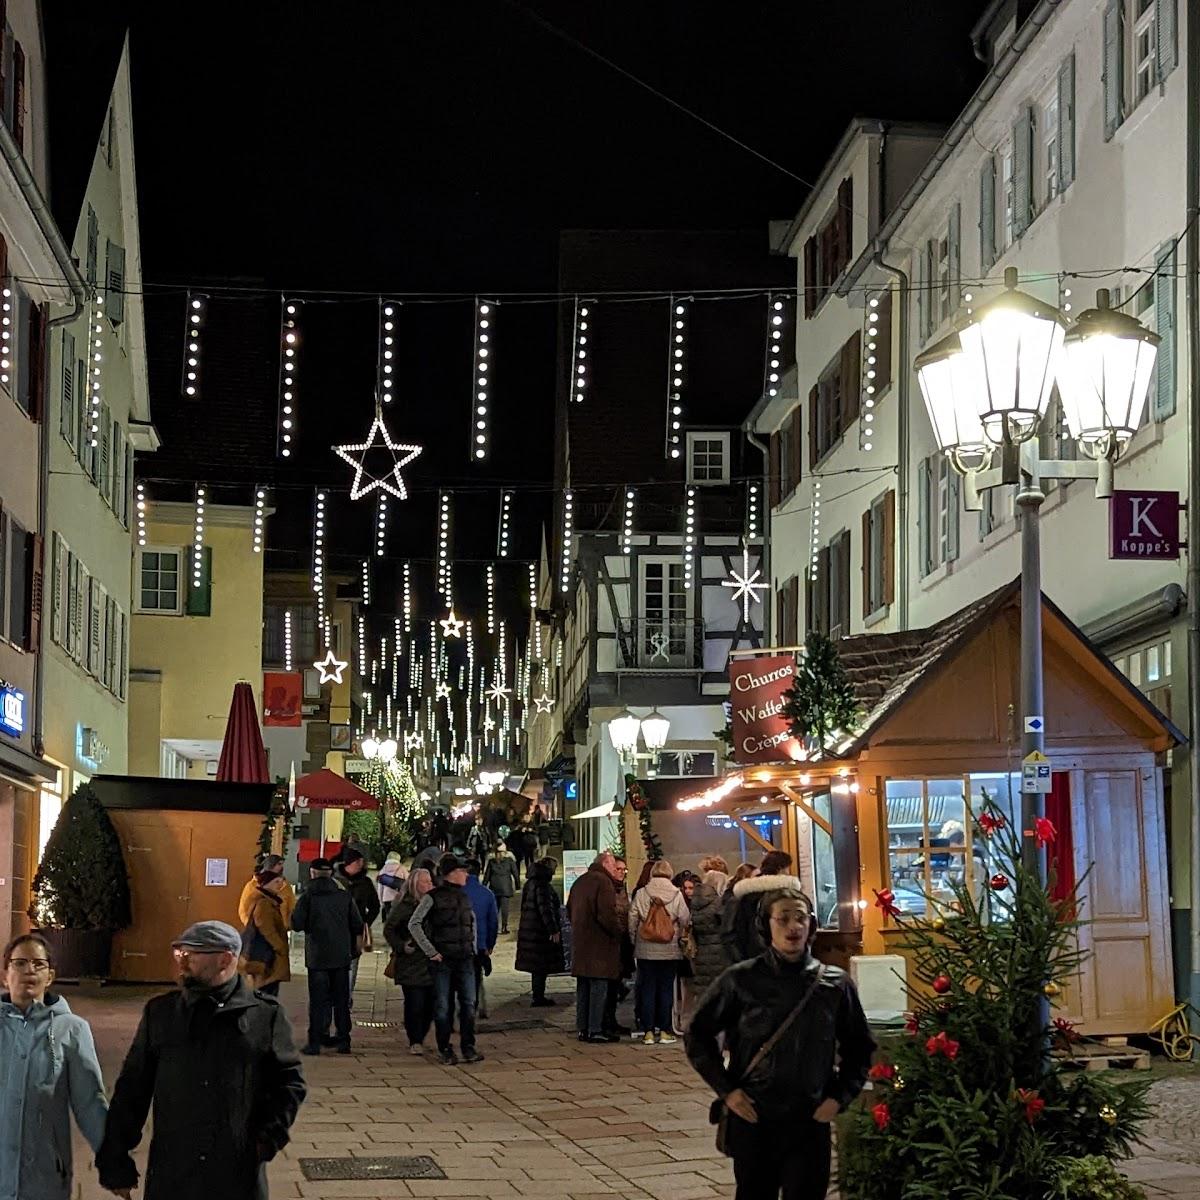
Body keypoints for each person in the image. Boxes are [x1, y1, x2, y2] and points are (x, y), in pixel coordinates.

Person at [685, 889, 874, 1200]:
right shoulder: (740, 980)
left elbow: (860, 1047)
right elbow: (698, 1035)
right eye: (783, 918)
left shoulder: (834, 984)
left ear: (811, 926)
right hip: (755, 1117)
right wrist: (727, 1091)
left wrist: (839, 1097)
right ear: (766, 926)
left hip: (810, 1119)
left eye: (800, 918)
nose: (793, 927)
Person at [96, 921, 306, 1200]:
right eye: (179, 954)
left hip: (236, 1172)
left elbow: (289, 1082)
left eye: (192, 955)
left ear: (225, 959)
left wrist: (266, 1139)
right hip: (174, 1171)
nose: (182, 963)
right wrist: (116, 1158)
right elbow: (133, 1088)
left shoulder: (264, 1016)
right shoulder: (162, 1013)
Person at [0, 933, 108, 1200]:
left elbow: (89, 1103)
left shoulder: (71, 1029)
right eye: (20, 963)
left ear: (50, 977)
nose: (29, 970)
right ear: (5, 975)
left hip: (44, 1177)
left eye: (39, 964)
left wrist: (113, 1160)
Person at [408, 853, 484, 1065]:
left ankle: (468, 1046)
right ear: (452, 873)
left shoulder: (464, 897)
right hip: (442, 961)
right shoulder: (432, 897)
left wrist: (475, 950)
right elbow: (414, 923)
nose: (466, 875)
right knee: (443, 1006)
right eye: (462, 871)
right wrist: (430, 951)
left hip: (465, 958)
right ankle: (445, 1048)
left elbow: (472, 924)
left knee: (469, 1004)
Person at [290, 858, 364, 1055]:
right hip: (341, 956)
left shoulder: (307, 898)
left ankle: (315, 1041)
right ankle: (343, 1040)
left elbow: (296, 924)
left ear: (312, 873)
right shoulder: (344, 896)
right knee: (341, 1000)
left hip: (317, 957)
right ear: (331, 874)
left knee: (318, 1001)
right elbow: (357, 924)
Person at [629, 859, 691, 1045]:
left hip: (645, 948)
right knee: (665, 989)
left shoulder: (641, 893)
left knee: (647, 988)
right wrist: (679, 937)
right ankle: (664, 1030)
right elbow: (685, 919)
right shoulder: (676, 894)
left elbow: (632, 919)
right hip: (669, 949)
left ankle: (648, 1031)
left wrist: (634, 940)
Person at [566, 851, 625, 1044]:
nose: (615, 868)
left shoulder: (580, 881)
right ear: (605, 864)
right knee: (599, 987)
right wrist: (619, 933)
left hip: (581, 943)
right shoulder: (603, 882)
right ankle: (595, 1029)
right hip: (600, 945)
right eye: (612, 864)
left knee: (583, 988)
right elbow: (607, 915)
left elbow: (569, 909)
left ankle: (583, 1028)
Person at [383, 868, 436, 1054]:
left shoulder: (434, 904)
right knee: (415, 1002)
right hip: (411, 962)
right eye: (425, 882)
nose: (429, 884)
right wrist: (401, 946)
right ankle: (415, 1039)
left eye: (430, 881)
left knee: (430, 1004)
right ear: (415, 884)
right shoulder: (405, 906)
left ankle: (420, 1036)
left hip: (431, 962)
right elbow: (389, 929)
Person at [721, 850, 803, 964]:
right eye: (787, 868)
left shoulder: (742, 896)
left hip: (751, 964)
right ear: (780, 869)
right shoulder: (789, 897)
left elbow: (729, 933)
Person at [515, 856, 564, 1006]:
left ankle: (538, 995)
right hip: (539, 932)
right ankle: (538, 997)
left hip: (530, 929)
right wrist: (553, 929)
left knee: (537, 967)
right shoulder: (542, 885)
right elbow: (545, 909)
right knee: (540, 966)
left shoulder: (531, 883)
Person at [335, 848, 381, 1007]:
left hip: (356, 931)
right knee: (337, 964)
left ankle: (346, 997)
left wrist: (365, 923)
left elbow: (375, 906)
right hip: (336, 931)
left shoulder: (365, 883)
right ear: (349, 863)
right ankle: (338, 994)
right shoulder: (336, 881)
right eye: (358, 862)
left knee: (353, 964)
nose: (361, 865)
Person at [239, 870, 292, 995]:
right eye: (276, 882)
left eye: (281, 882)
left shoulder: (270, 901)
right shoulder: (264, 903)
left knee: (266, 988)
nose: (280, 885)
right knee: (266, 989)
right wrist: (280, 946)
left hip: (265, 952)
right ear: (266, 884)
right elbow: (266, 927)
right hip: (265, 954)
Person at [688, 864, 732, 1015]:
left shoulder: (697, 904)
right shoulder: (719, 904)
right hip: (720, 955)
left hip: (702, 954)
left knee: (705, 994)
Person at [463, 858, 499, 1018]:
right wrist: (490, 944)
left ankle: (463, 1009)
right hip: (480, 945)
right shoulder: (487, 894)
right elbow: (493, 923)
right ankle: (475, 1006)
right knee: (476, 977)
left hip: (460, 944)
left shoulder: (456, 892)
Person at [603, 856, 634, 1036]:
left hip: (623, 941)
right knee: (612, 984)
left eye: (624, 870)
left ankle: (611, 1019)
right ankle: (607, 1020)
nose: (621, 873)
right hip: (613, 941)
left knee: (617, 983)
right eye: (618, 869)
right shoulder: (609, 889)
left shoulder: (621, 888)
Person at [238, 853, 296, 926]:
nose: (282, 867)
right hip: (258, 929)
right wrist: (252, 925)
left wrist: (286, 925)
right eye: (279, 864)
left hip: (279, 928)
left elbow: (291, 907)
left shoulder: (285, 886)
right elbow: (243, 910)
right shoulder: (252, 886)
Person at [483, 841, 519, 934]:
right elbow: (515, 873)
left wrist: (483, 886)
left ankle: (494, 927)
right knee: (505, 909)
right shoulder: (510, 861)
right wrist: (518, 885)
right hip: (506, 887)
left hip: (494, 887)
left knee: (495, 909)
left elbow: (487, 875)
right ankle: (504, 927)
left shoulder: (491, 862)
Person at [377, 854, 408, 924]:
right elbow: (408, 883)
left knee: (389, 918)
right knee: (398, 918)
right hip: (399, 898)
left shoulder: (383, 870)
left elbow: (380, 888)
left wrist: (381, 900)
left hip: (386, 899)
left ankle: (389, 931)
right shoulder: (402, 869)